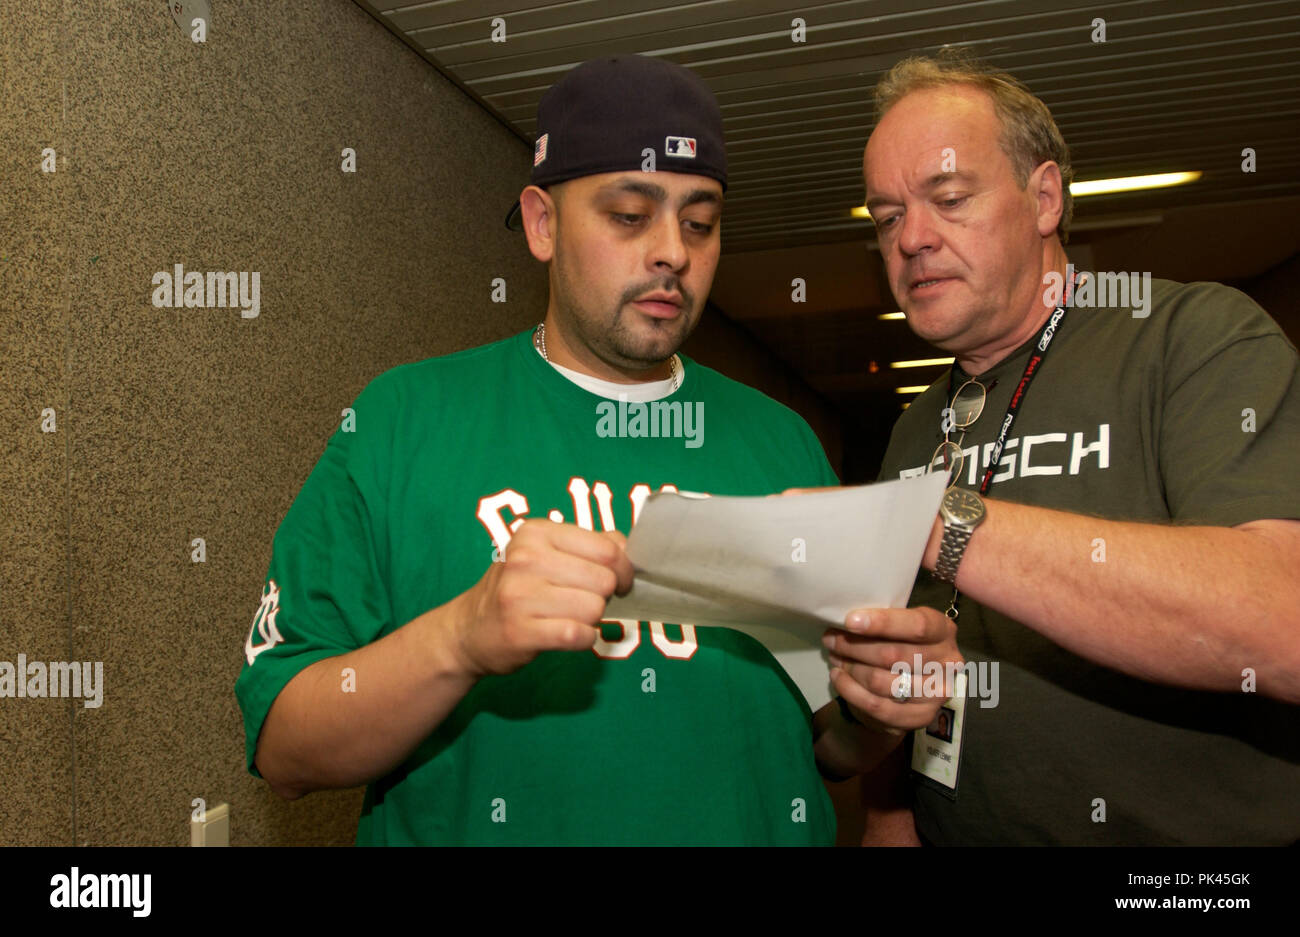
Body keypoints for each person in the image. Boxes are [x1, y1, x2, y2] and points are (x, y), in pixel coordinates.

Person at [233, 54, 959, 845]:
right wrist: (461, 635)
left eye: (700, 221)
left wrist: (882, 708)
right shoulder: (399, 422)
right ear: (543, 223)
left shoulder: (780, 443)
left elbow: (828, 745)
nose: (672, 252)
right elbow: (284, 748)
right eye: (628, 214)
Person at [824, 50, 1300, 845]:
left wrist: (932, 519)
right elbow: (910, 657)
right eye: (887, 217)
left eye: (948, 198)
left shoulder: (1195, 339)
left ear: (1044, 197)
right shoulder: (916, 424)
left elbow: (1282, 622)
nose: (912, 239)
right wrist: (889, 803)